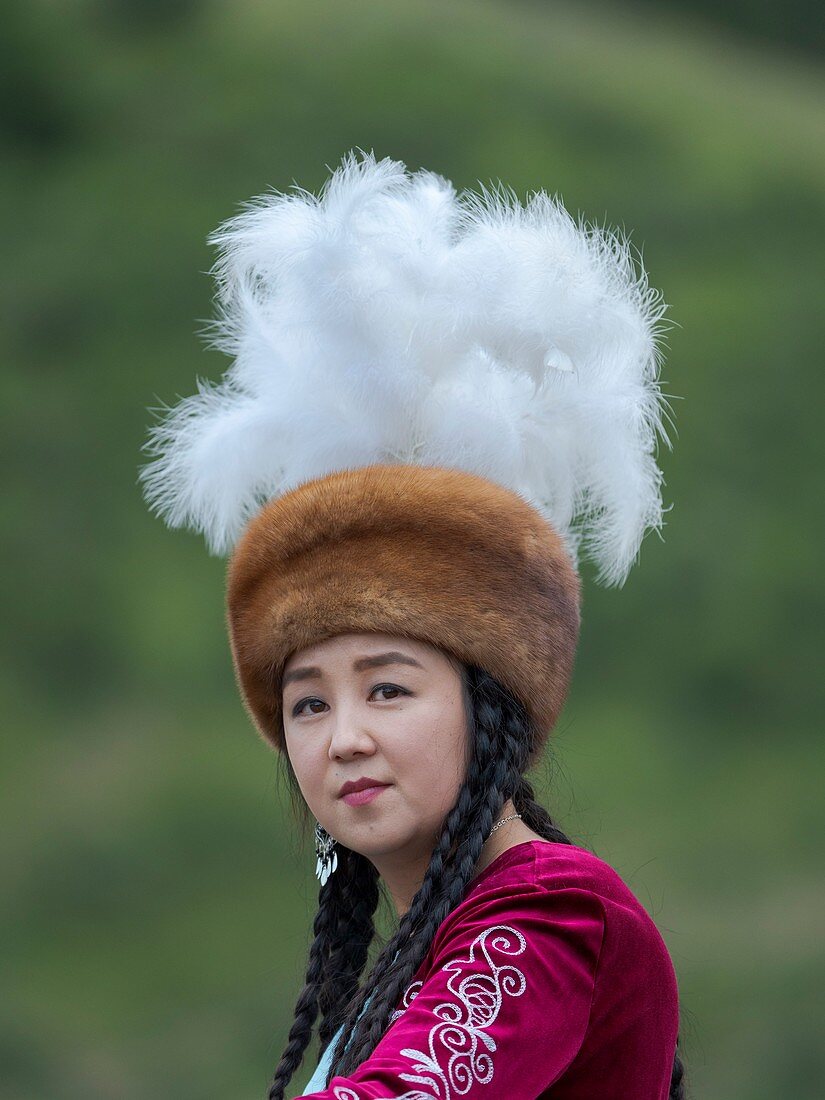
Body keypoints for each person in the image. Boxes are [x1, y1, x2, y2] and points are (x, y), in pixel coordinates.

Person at [140, 150, 686, 1098]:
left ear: (490, 705)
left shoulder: (550, 913)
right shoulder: (417, 972)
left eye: (387, 688)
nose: (343, 738)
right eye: (306, 706)